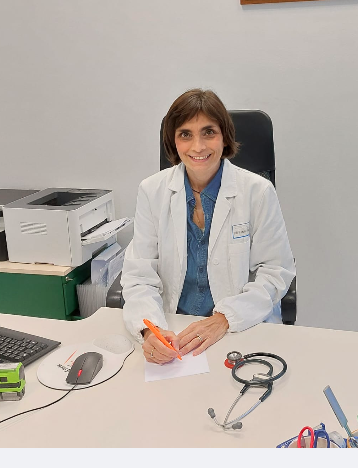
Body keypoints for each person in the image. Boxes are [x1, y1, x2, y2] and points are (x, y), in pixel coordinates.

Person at [122, 89, 296, 364]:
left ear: (224, 137)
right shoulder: (151, 191)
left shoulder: (258, 192)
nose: (198, 146)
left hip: (239, 328)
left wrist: (224, 318)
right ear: (173, 141)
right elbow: (139, 275)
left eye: (209, 132)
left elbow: (276, 272)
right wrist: (150, 330)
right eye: (185, 134)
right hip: (174, 330)